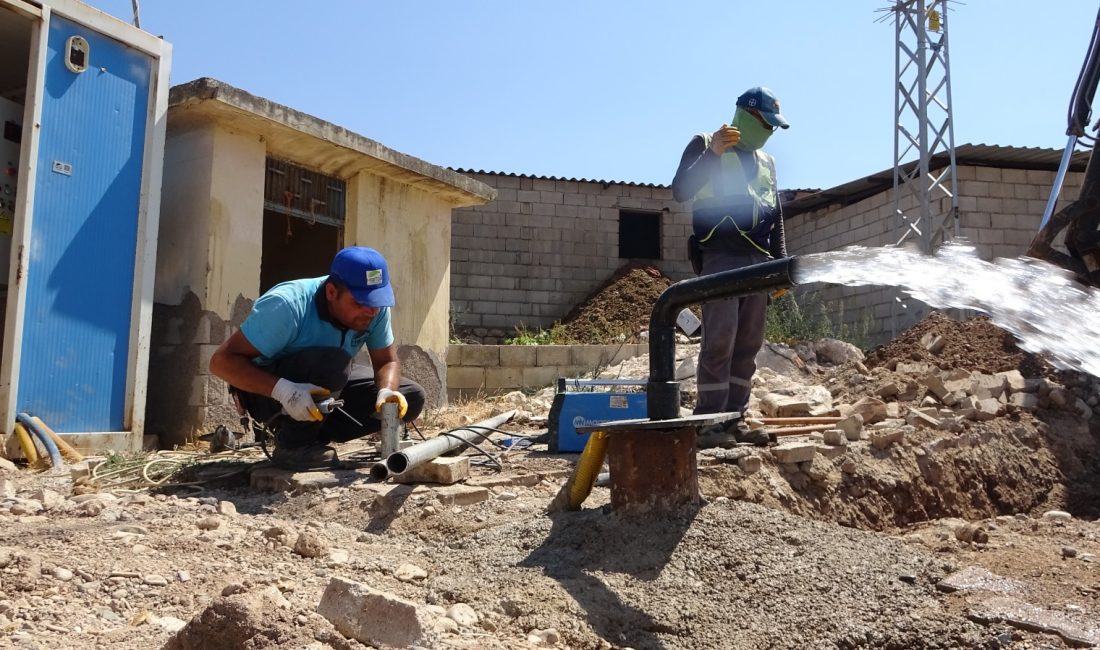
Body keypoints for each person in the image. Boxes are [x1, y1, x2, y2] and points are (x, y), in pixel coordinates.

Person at [210, 246, 425, 469]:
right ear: (331, 292)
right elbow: (221, 362)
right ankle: (294, 445)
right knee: (334, 362)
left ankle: (317, 434)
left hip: (326, 384)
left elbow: (387, 361)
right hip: (267, 393)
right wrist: (285, 391)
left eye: (376, 302)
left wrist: (386, 391)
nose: (371, 311)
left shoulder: (374, 310)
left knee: (412, 396)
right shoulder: (287, 305)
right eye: (360, 302)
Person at [670, 86, 790, 447]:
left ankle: (735, 418)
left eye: (773, 127)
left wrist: (781, 264)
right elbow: (680, 190)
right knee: (720, 338)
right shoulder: (705, 143)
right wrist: (713, 153)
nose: (767, 132)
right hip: (720, 256)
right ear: (745, 115)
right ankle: (709, 422)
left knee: (748, 344)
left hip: (758, 262)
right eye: (764, 123)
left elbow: (776, 214)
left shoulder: (767, 162)